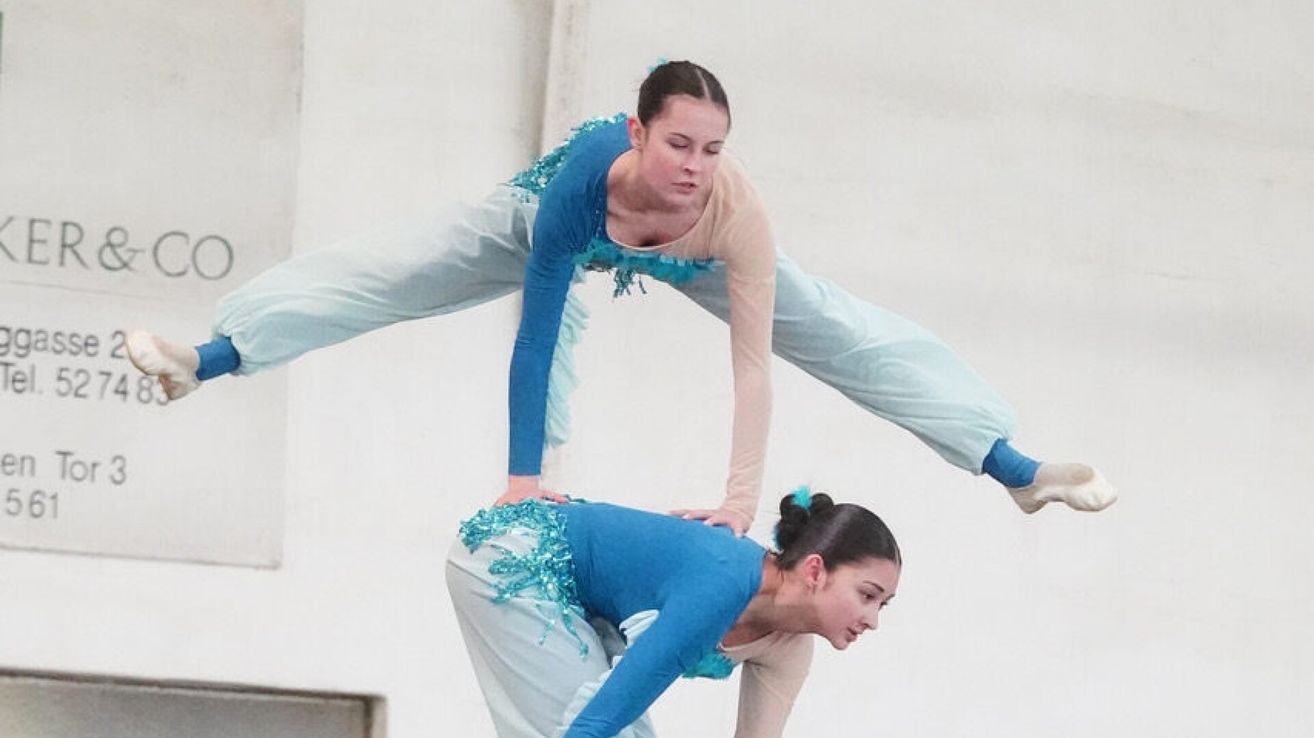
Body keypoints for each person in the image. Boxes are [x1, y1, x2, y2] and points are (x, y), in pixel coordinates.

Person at [125, 61, 1116, 524]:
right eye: (678, 143)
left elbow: (756, 376)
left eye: (713, 149)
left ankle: (1014, 468)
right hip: (543, 221)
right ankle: (207, 359)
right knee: (396, 269)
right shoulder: (578, 183)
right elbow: (538, 334)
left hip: (689, 261)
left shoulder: (736, 216)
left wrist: (736, 504)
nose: (695, 164)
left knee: (844, 333)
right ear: (637, 134)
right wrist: (523, 477)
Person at [446, 488, 901, 737]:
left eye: (882, 604)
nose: (874, 619)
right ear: (816, 570)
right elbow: (595, 723)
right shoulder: (722, 587)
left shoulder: (790, 648)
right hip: (514, 556)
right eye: (867, 595)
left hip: (579, 598)